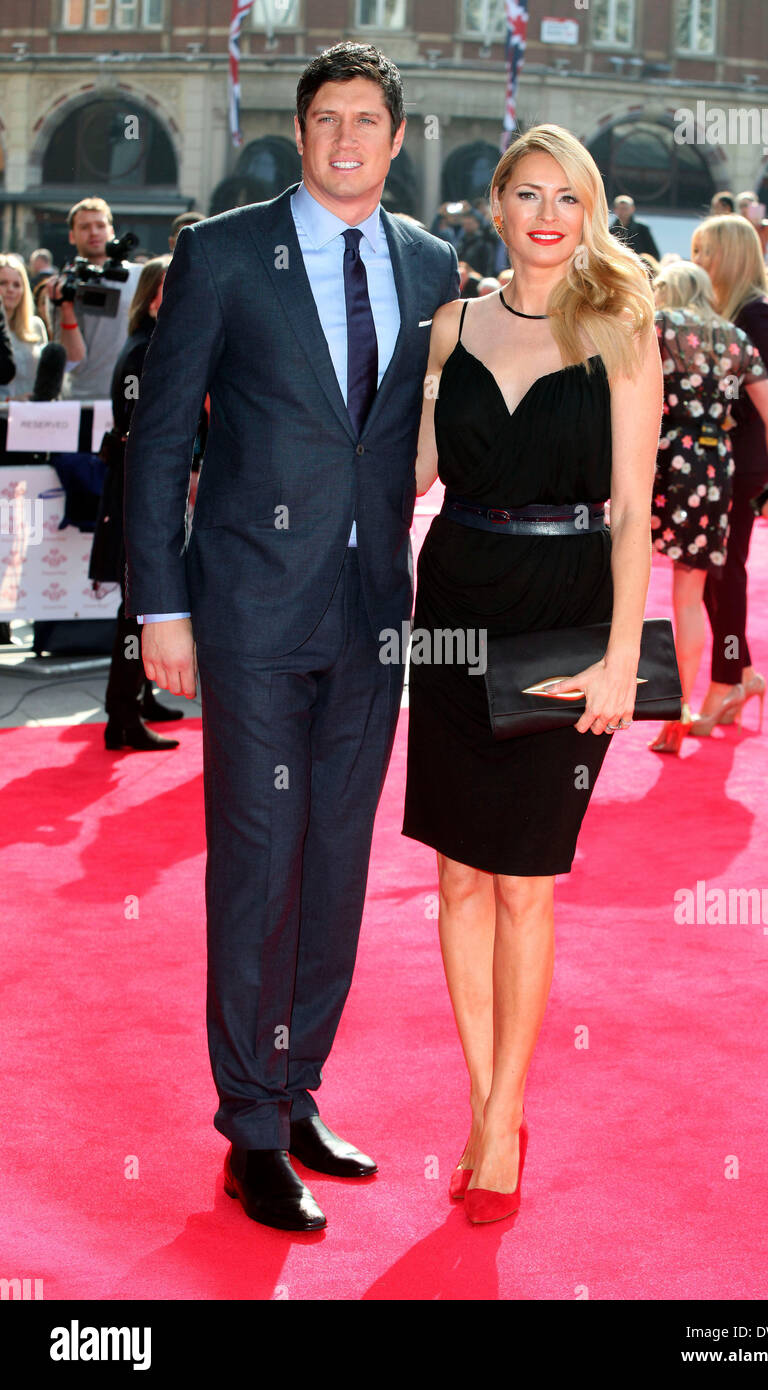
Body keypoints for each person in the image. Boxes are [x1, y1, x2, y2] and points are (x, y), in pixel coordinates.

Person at [123, 41, 459, 1233]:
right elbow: (161, 442)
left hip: (374, 621)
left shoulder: (431, 266)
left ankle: (298, 1083)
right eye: (328, 117)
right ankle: (249, 1128)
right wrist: (159, 610)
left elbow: (429, 432)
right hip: (251, 614)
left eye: (370, 118)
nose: (348, 138)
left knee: (334, 869)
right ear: (300, 129)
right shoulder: (220, 255)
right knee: (258, 863)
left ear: (397, 136)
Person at [402, 124, 661, 1223]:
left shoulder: (619, 324)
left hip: (562, 618)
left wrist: (618, 660)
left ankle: (503, 1113)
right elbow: (408, 471)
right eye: (526, 193)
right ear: (495, 205)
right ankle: (481, 1097)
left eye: (568, 196)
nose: (547, 213)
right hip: (452, 605)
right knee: (456, 878)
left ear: (588, 209)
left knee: (523, 879)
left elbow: (635, 511)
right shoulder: (451, 321)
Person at [647, 262, 768, 755]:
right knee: (690, 598)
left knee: (628, 583)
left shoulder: (657, 325)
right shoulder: (733, 338)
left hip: (657, 461)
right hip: (712, 467)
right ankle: (679, 707)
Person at [691, 215, 768, 733]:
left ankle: (727, 681)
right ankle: (744, 673)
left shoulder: (757, 314)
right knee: (713, 576)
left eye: (707, 251)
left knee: (724, 575)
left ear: (729, 255)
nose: (700, 261)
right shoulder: (731, 310)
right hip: (719, 462)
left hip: (740, 465)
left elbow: (754, 397)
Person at [91, 255, 188, 753]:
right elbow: (144, 442)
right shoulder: (145, 353)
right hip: (139, 501)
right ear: (155, 298)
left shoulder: (154, 347)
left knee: (140, 607)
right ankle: (122, 717)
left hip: (141, 497)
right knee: (138, 609)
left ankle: (139, 699)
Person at [43, 197, 143, 400]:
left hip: (130, 396)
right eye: (85, 227)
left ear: (112, 231)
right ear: (72, 236)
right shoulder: (62, 288)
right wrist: (66, 307)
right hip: (80, 399)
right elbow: (72, 360)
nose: (94, 232)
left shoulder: (140, 277)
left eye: (100, 225)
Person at [0, 254, 56, 401]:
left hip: (34, 416)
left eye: (17, 285)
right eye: (3, 283)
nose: (10, 290)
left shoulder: (36, 326)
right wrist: (9, 401)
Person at [610, 195, 660, 259]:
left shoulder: (642, 228)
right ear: (615, 210)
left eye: (625, 209)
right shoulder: (610, 230)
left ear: (632, 209)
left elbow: (653, 254)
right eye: (620, 209)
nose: (623, 212)